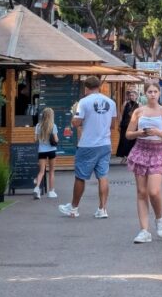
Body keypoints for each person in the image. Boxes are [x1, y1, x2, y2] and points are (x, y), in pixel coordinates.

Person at [58, 77, 116, 219]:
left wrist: (74, 115)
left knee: (80, 176)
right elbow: (113, 125)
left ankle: (74, 208)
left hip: (88, 144)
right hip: (105, 144)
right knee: (103, 176)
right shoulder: (111, 102)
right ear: (99, 86)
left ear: (86, 88)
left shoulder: (83, 102)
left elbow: (76, 123)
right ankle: (102, 209)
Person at [125, 82, 162, 243]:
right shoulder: (139, 111)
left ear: (159, 93)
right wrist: (139, 132)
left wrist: (157, 132)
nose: (152, 94)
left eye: (155, 91)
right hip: (140, 150)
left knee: (154, 191)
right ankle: (144, 230)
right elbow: (128, 134)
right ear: (145, 94)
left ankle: (159, 217)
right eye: (149, 92)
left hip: (158, 151)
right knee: (141, 192)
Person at [33, 108, 59, 200]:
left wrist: (41, 138)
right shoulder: (53, 126)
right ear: (51, 116)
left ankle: (37, 188)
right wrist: (55, 139)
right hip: (51, 150)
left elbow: (35, 139)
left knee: (41, 171)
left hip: (41, 151)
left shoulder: (38, 126)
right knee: (51, 171)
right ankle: (51, 192)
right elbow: (56, 140)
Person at [116, 88, 140, 160]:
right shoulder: (126, 103)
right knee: (124, 140)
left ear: (136, 96)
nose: (131, 97)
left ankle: (131, 156)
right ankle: (125, 156)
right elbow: (121, 114)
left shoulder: (139, 105)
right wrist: (120, 124)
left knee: (133, 141)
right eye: (130, 95)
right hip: (125, 124)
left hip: (134, 125)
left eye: (133, 95)